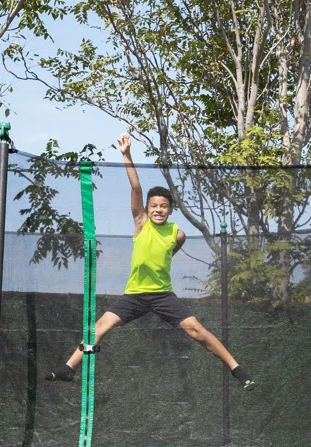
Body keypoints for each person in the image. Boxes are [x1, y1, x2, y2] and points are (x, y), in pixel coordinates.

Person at [46, 133, 255, 391]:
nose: (158, 209)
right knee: (99, 327)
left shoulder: (177, 233)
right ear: (146, 208)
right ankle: (69, 368)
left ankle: (236, 368)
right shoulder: (141, 223)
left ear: (170, 209)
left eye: (163, 206)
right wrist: (127, 155)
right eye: (154, 205)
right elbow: (136, 188)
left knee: (196, 330)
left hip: (162, 295)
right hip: (134, 294)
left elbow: (169, 253)